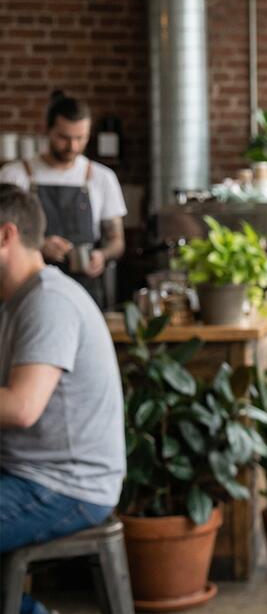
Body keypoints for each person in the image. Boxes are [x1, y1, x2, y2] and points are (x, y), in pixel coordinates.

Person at [0, 184, 126, 614]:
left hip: (68, 484)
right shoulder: (15, 303)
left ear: (5, 236)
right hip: (32, 472)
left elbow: (21, 406)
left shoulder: (47, 302)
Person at [0, 91, 127, 307]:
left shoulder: (102, 178)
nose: (73, 147)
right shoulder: (15, 175)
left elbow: (117, 241)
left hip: (86, 292)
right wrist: (39, 245)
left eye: (80, 138)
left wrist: (101, 256)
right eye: (64, 138)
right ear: (47, 130)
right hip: (26, 291)